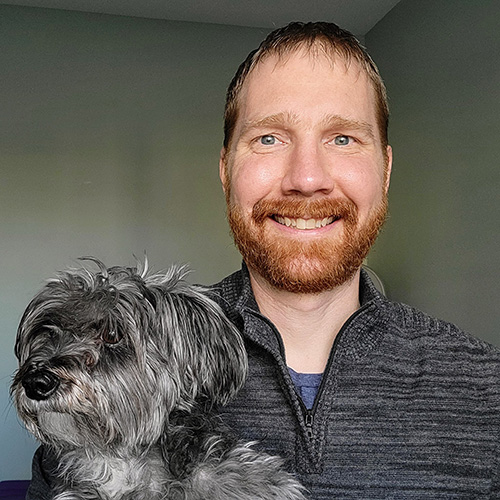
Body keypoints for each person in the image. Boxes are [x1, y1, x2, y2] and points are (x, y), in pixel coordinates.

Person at [26, 21, 499, 499]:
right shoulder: (88, 410)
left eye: (343, 138)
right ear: (227, 170)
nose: (307, 178)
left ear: (386, 169)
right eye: (270, 138)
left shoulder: (486, 386)